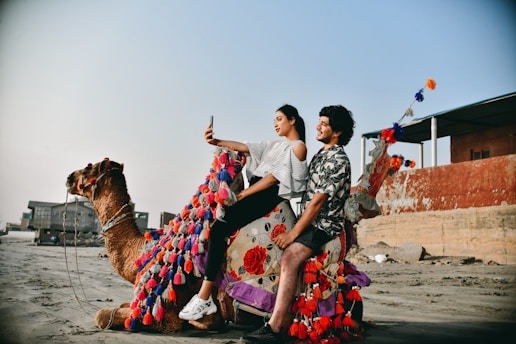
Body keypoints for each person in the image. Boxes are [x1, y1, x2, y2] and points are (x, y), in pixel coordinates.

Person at [179, 104, 308, 321]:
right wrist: (216, 142)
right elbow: (246, 146)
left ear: (292, 119)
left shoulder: (298, 147)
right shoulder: (276, 145)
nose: (275, 124)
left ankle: (204, 297)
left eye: (279, 119)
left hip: (267, 194)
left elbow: (274, 177)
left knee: (220, 227)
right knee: (216, 225)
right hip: (258, 189)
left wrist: (242, 195)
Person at [244, 105, 355, 344]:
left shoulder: (337, 160)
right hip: (309, 219)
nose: (317, 126)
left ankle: (273, 328)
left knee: (290, 257)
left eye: (323, 124)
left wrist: (294, 233)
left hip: (323, 225)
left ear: (336, 132)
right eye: (320, 122)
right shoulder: (321, 154)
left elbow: (317, 204)